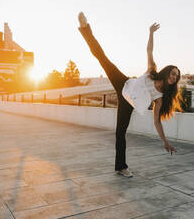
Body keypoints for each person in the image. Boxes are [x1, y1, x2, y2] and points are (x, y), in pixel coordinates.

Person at [78, 12, 182, 177]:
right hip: (124, 83)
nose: (174, 77)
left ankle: (121, 167)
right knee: (102, 57)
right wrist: (151, 33)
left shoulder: (160, 98)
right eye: (173, 73)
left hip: (127, 103)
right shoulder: (152, 71)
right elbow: (149, 50)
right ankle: (85, 29)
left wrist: (165, 141)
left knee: (120, 134)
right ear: (167, 72)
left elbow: (157, 121)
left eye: (176, 76)